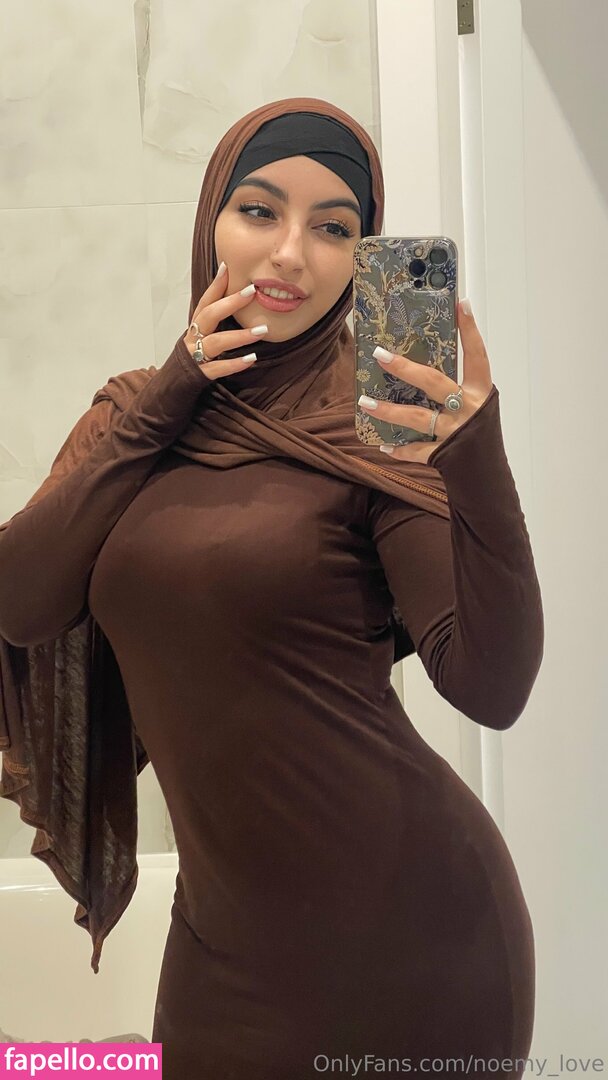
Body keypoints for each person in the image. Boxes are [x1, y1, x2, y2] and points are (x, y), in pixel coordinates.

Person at [0, 98, 544, 1079]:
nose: (290, 253)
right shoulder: (131, 416)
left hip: (418, 943)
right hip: (222, 951)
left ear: (362, 256)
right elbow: (21, 603)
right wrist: (174, 392)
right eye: (258, 210)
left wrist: (474, 458)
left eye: (334, 228)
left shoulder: (371, 430)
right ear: (212, 217)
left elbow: (490, 685)